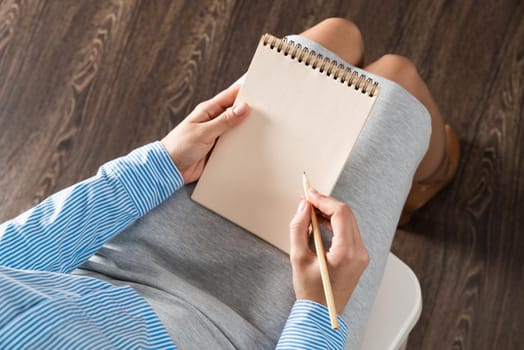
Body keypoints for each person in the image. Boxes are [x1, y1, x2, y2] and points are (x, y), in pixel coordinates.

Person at [0, 18, 458, 349]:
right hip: (257, 330)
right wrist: (321, 310)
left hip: (118, 266)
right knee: (399, 80)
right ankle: (430, 178)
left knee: (331, 37)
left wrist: (161, 164)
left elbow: (13, 255)